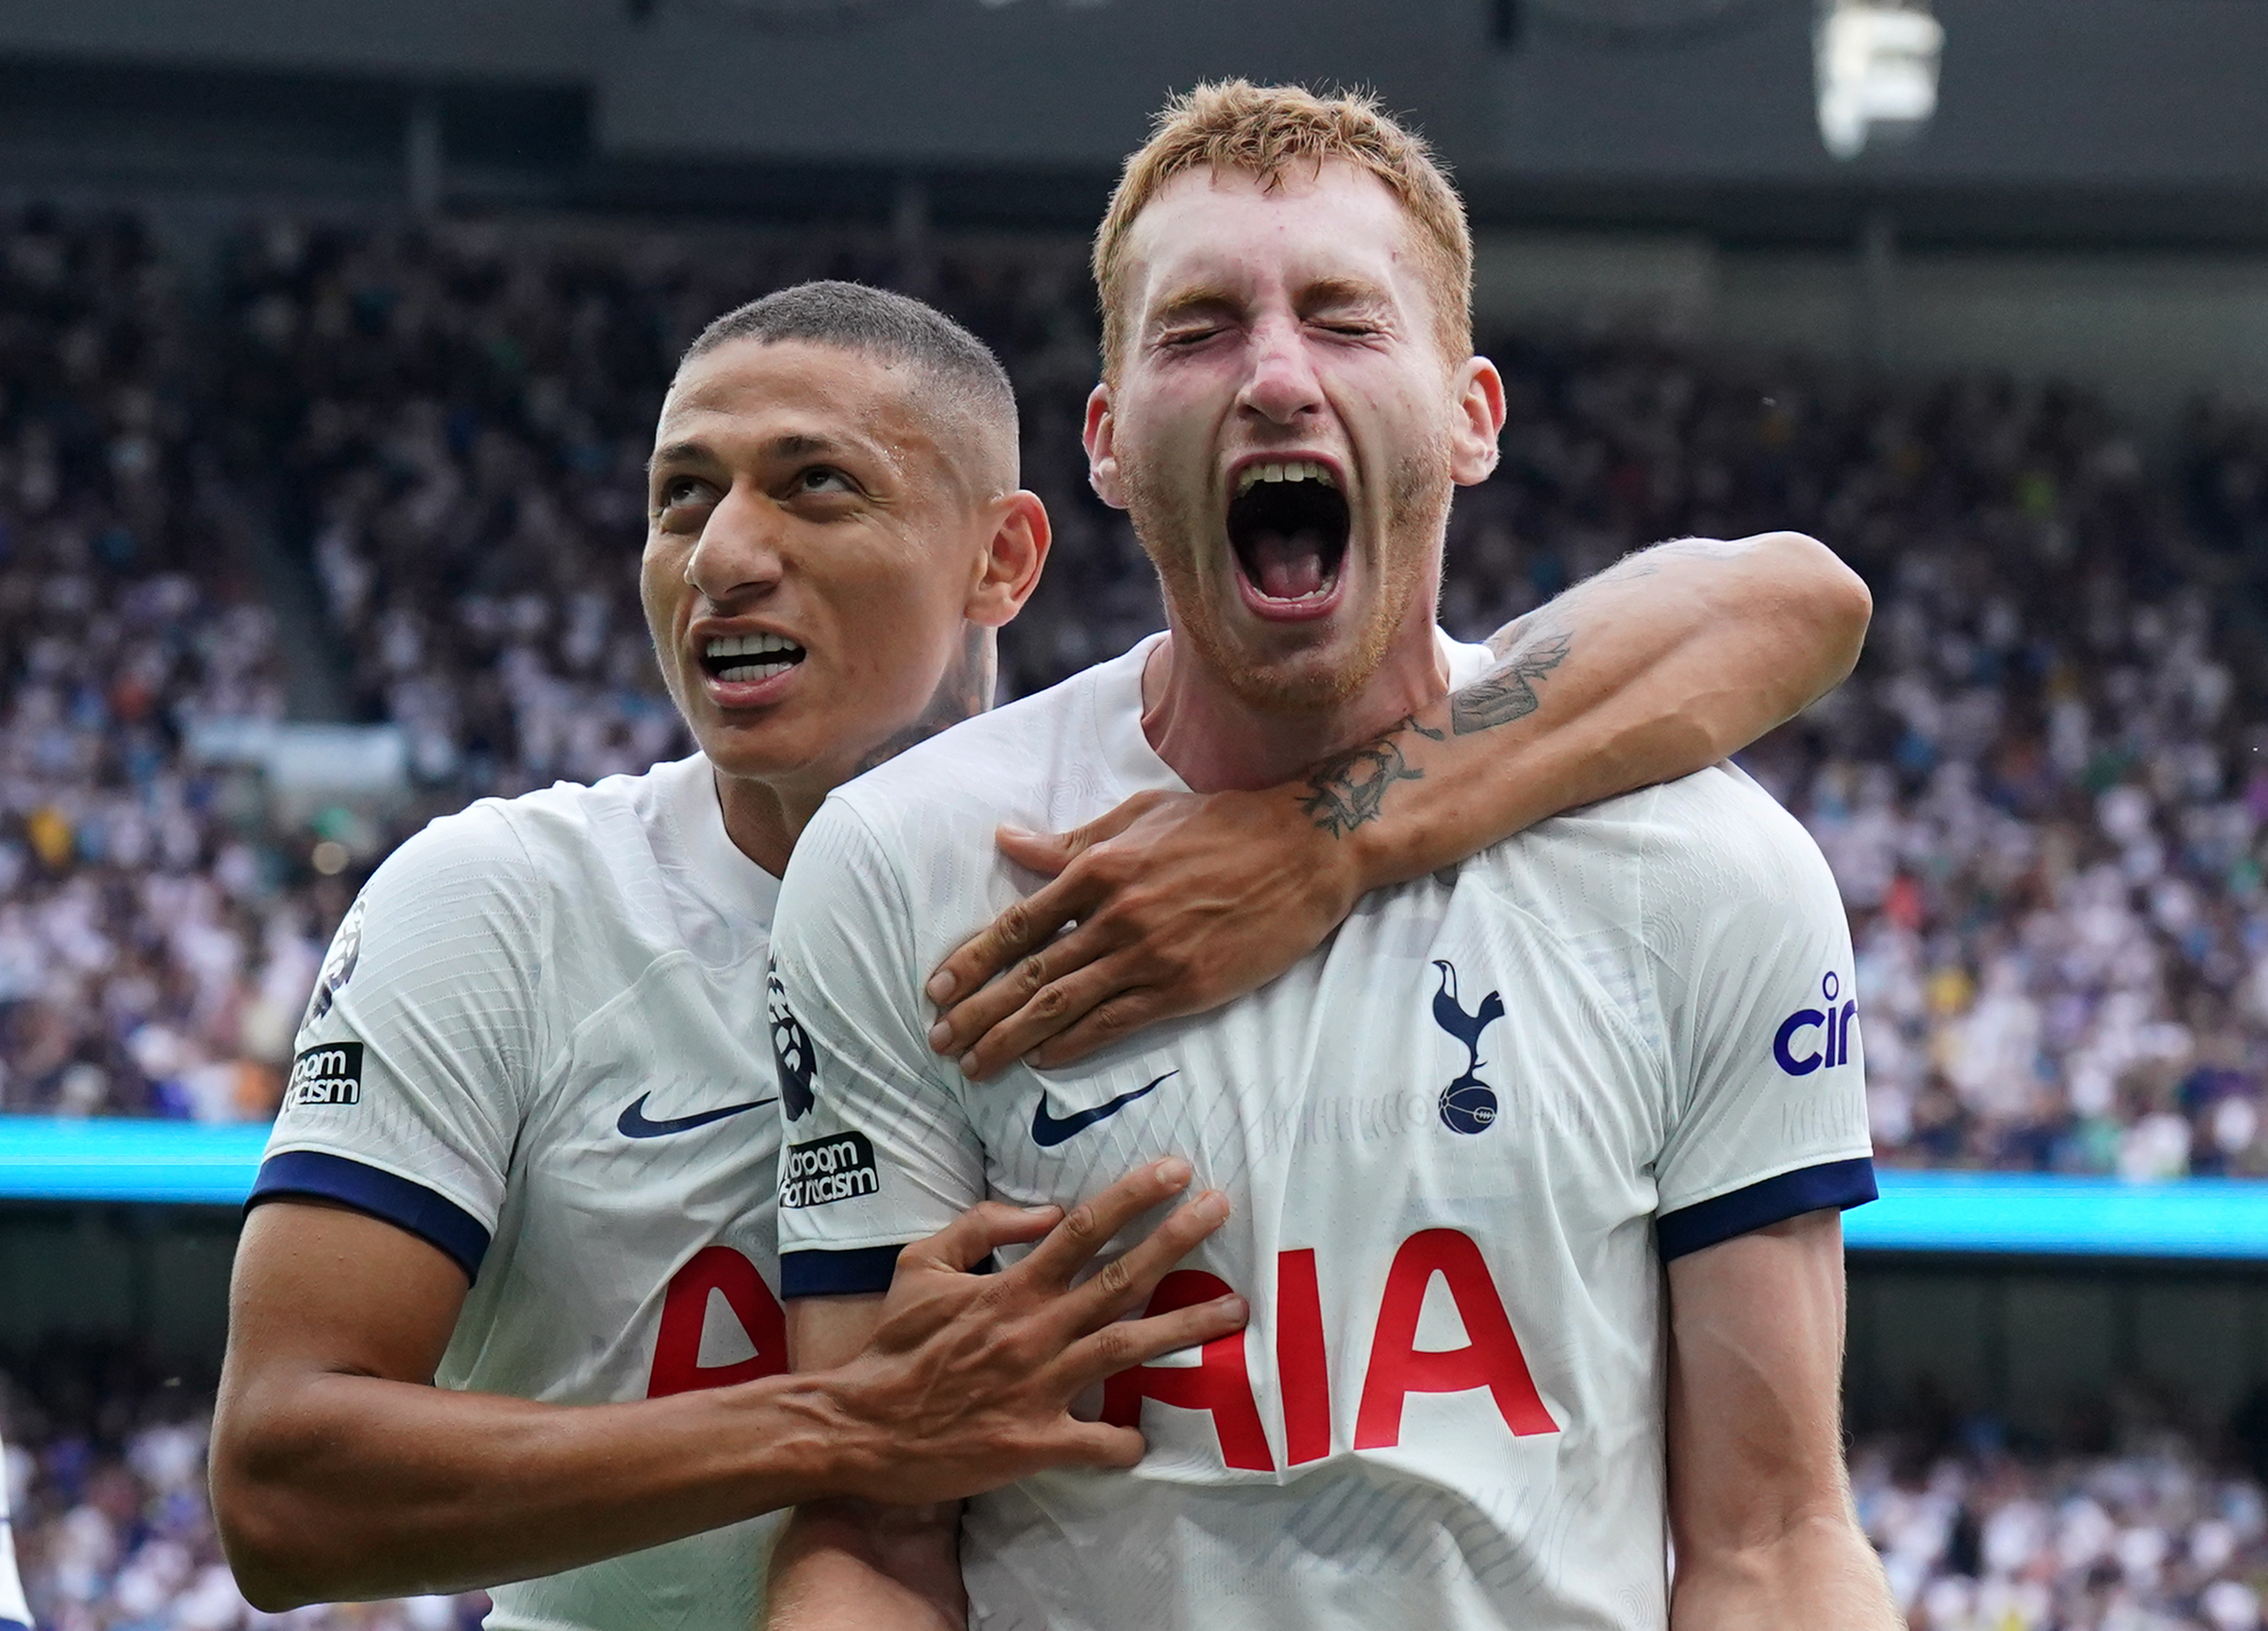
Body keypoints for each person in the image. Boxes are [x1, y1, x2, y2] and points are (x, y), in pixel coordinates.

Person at [211, 269, 1863, 1630]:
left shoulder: (1153, 861)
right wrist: (844, 1423)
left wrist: (1327, 836)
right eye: (678, 500)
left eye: (813, 486)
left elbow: (1785, 600)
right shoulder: (498, 906)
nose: (721, 556)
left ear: (1005, 558)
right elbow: (281, 1489)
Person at [765, 84, 1898, 1631]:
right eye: (1201, 328)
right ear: (1105, 439)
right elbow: (874, 1541)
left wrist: (1319, 843)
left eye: (1348, 322)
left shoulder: (1706, 875)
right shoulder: (911, 865)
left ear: (1470, 415)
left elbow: (1771, 1542)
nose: (1277, 377)